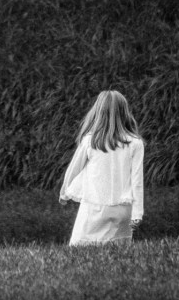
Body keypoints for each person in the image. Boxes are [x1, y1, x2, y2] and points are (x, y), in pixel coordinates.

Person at [59, 89, 144, 246]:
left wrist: (64, 192)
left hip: (94, 207)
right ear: (125, 112)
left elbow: (74, 169)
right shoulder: (135, 143)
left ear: (98, 112)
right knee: (120, 251)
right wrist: (137, 213)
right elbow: (137, 182)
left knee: (79, 248)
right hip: (123, 209)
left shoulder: (90, 141)